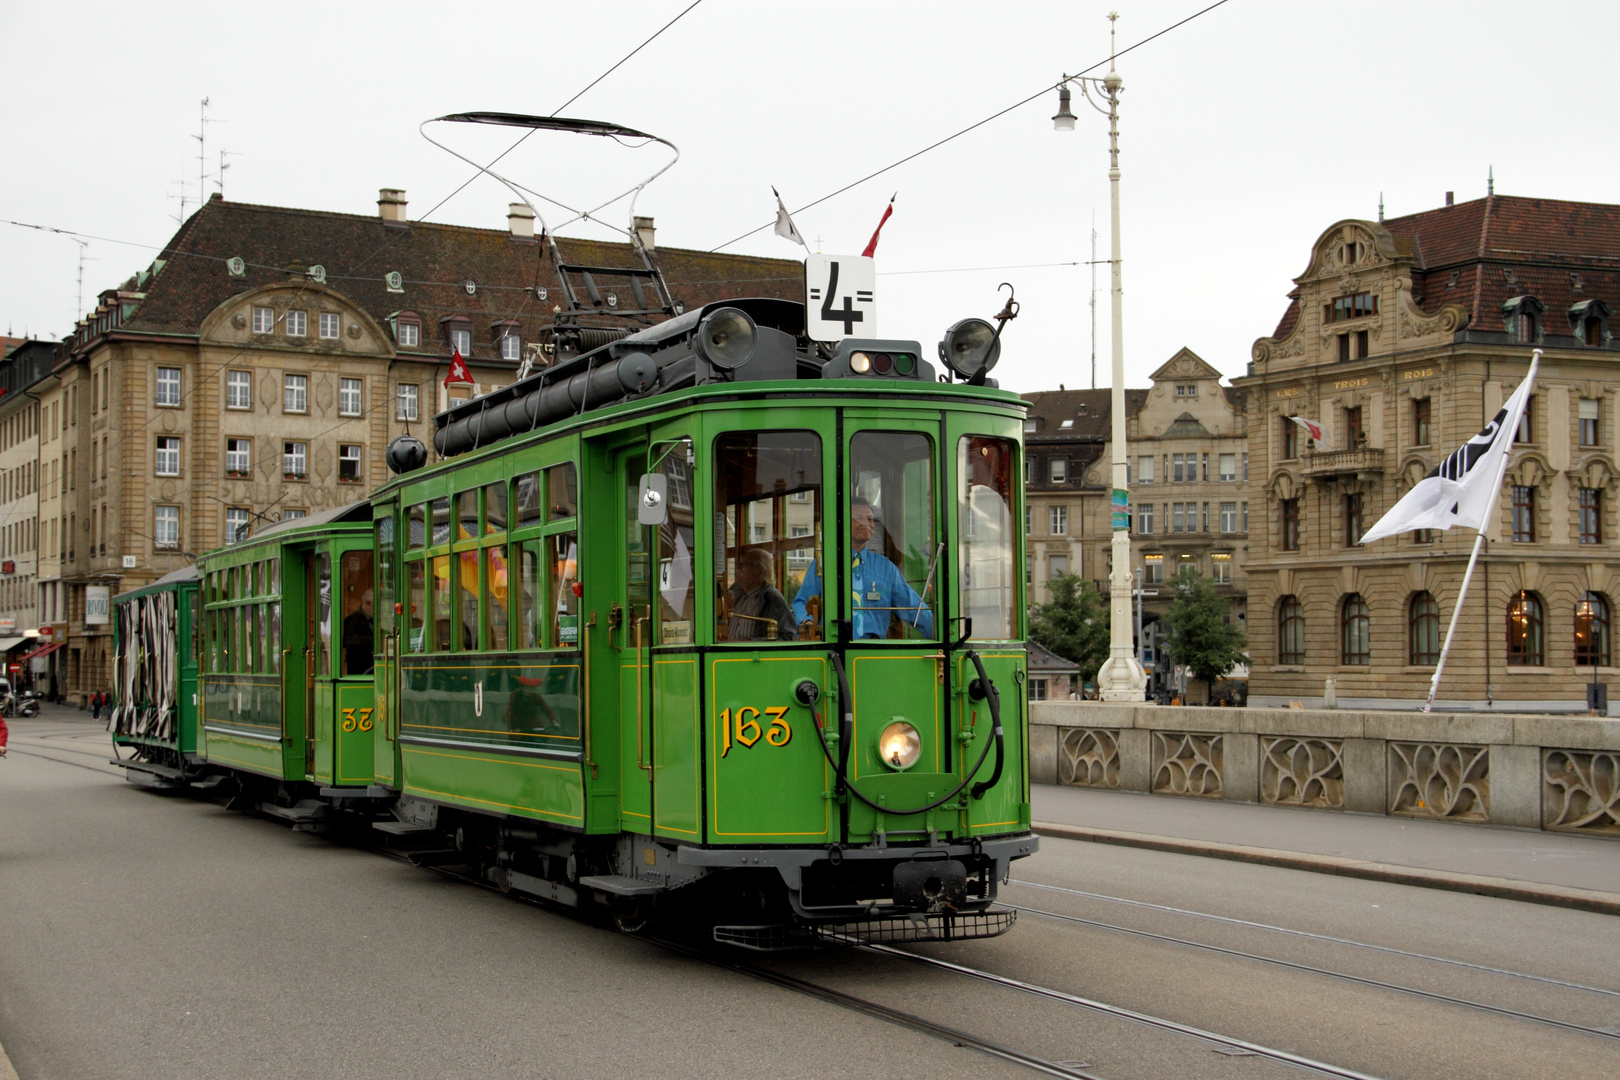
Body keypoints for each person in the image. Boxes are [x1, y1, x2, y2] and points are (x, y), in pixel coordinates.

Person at [794, 497, 934, 640]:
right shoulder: (825, 564)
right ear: (843, 523)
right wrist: (807, 623)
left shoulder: (886, 568)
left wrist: (940, 636)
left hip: (873, 653)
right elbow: (802, 602)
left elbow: (913, 608)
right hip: (833, 648)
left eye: (870, 519)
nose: (866, 523)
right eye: (858, 518)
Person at [725, 549, 795, 642]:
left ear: (761, 571)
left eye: (745, 564)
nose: (739, 568)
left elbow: (788, 638)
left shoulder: (772, 598)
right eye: (740, 564)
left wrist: (750, 642)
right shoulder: (735, 591)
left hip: (752, 655)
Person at [343, 590, 375, 675]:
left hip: (371, 666)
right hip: (359, 667)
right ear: (367, 604)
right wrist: (373, 641)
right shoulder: (352, 620)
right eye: (375, 606)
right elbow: (349, 639)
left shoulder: (372, 620)